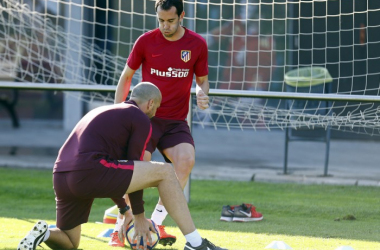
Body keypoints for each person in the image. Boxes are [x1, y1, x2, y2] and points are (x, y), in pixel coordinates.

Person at [17, 82, 226, 250]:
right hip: (89, 170)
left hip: (62, 175)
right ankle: (196, 244)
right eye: (157, 107)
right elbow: (135, 164)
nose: (156, 112)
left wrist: (125, 208)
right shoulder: (140, 118)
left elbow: (118, 173)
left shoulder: (107, 111)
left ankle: (44, 233)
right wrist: (139, 216)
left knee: (70, 243)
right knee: (166, 171)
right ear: (150, 103)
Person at [112, 0, 210, 246]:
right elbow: (126, 78)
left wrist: (201, 92)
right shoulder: (146, 41)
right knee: (137, 168)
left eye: (170, 21)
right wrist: (118, 112)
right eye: (161, 21)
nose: (165, 26)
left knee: (186, 161)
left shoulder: (197, 44)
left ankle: (155, 222)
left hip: (176, 122)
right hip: (146, 120)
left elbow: (203, 80)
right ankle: (119, 227)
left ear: (182, 16)